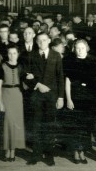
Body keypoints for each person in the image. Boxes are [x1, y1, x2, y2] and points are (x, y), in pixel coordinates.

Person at [24, 32, 64, 167]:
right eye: (39, 41)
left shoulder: (56, 55)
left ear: (49, 41)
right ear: (36, 42)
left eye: (44, 40)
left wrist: (60, 97)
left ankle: (49, 156)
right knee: (36, 126)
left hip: (52, 96)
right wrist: (37, 84)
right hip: (36, 96)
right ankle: (35, 154)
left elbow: (60, 77)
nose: (42, 43)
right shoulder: (31, 55)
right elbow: (25, 75)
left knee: (49, 126)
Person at [64, 39, 96, 164]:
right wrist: (68, 99)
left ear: (87, 48)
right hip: (75, 96)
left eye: (82, 48)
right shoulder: (70, 61)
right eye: (77, 48)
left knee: (86, 126)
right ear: (74, 49)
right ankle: (75, 151)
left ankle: (82, 151)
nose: (80, 50)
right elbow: (67, 82)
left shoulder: (93, 61)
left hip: (89, 97)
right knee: (75, 125)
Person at [0, 45, 26, 162]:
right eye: (10, 53)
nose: (12, 55)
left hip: (18, 95)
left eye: (14, 53)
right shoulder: (2, 67)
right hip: (6, 95)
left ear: (18, 54)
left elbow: (25, 82)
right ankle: (6, 150)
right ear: (7, 54)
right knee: (7, 123)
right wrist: (0, 102)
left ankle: (13, 150)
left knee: (16, 123)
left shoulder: (21, 66)